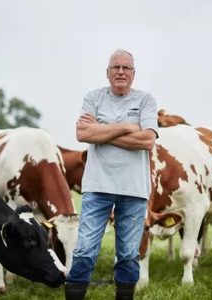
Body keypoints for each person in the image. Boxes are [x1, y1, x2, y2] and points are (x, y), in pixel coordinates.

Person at [65, 49, 158, 300]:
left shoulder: (146, 101)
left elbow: (148, 140)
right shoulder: (93, 98)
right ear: (107, 73)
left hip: (134, 190)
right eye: (115, 67)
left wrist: (102, 130)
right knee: (85, 250)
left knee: (128, 254)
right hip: (97, 187)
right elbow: (83, 134)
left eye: (126, 68)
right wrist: (128, 127)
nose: (120, 72)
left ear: (133, 74)